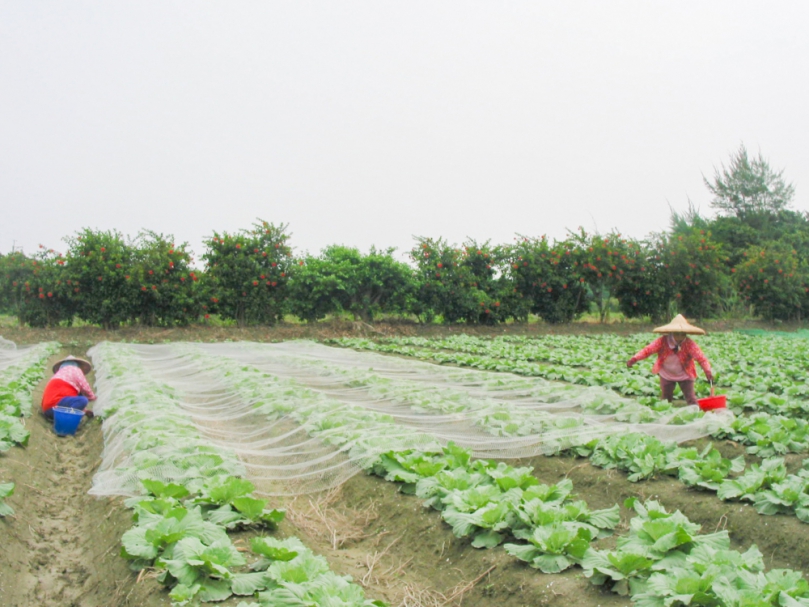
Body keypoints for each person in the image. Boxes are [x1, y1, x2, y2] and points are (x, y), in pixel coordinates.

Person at [626, 314, 713, 406]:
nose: (680, 337)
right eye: (677, 334)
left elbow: (701, 358)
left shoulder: (689, 344)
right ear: (672, 332)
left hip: (685, 374)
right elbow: (648, 350)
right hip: (667, 374)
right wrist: (634, 359)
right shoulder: (662, 341)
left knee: (691, 399)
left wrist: (707, 371)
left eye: (682, 334)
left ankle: (696, 414)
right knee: (666, 401)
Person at [41, 355, 97, 420]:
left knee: (79, 395)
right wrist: (93, 398)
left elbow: (70, 400)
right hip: (57, 407)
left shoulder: (57, 375)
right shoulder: (75, 370)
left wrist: (84, 411)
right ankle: (67, 422)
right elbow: (85, 387)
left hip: (48, 410)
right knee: (83, 400)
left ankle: (62, 420)